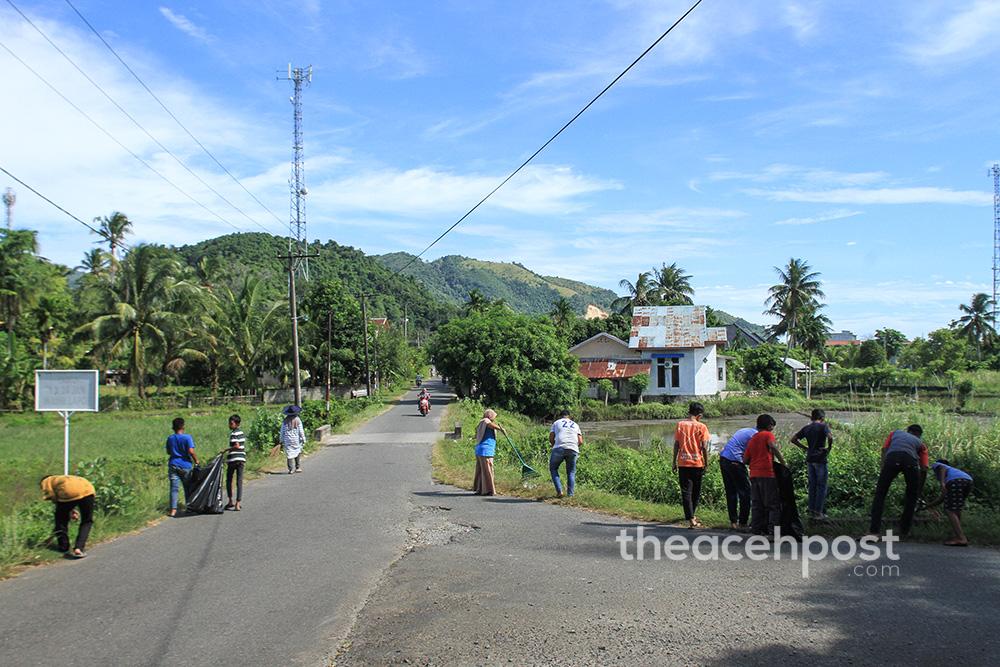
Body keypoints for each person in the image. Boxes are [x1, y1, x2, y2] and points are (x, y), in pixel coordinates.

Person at [869, 424, 929, 539]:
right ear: (919, 435)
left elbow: (884, 449)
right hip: (910, 462)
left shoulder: (894, 433)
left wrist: (884, 467)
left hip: (892, 458)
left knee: (880, 494)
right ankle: (904, 532)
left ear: (908, 431)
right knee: (911, 497)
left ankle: (874, 531)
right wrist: (919, 490)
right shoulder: (921, 444)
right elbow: (924, 468)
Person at [743, 414, 785, 536]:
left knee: (757, 505)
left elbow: (745, 460)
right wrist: (783, 463)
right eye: (772, 426)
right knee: (773, 505)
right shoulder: (768, 435)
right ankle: (773, 533)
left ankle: (756, 530)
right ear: (769, 425)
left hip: (754, 475)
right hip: (768, 474)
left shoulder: (752, 439)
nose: (773, 429)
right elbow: (773, 447)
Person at [673, 402, 711, 528]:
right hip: (697, 463)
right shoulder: (702, 427)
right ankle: (691, 518)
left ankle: (691, 517)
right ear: (699, 415)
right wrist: (706, 463)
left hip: (683, 463)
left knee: (686, 492)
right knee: (695, 492)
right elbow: (704, 447)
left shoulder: (680, 425)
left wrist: (674, 462)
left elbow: (676, 445)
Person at [791, 409, 834, 519]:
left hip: (810, 459)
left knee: (812, 486)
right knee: (821, 486)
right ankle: (818, 512)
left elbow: (793, 439)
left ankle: (811, 510)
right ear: (822, 418)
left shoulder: (807, 428)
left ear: (811, 418)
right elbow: (830, 437)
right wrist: (828, 448)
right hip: (820, 458)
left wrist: (805, 448)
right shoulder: (823, 426)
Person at [40, 474, 95, 559]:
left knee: (60, 519)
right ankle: (79, 548)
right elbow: (75, 495)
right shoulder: (63, 478)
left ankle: (63, 547)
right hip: (88, 489)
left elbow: (53, 496)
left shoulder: (46, 481)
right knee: (87, 520)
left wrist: (64, 508)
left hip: (69, 491)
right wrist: (71, 510)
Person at [925, 459, 973, 546]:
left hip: (957, 481)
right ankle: (957, 535)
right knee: (956, 509)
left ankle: (961, 538)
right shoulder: (953, 473)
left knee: (949, 510)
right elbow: (942, 498)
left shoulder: (938, 465)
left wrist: (942, 483)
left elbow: (942, 467)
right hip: (968, 481)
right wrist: (928, 505)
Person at [718, 425, 756, 530]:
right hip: (735, 462)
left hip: (723, 459)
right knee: (745, 493)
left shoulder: (745, 430)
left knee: (731, 492)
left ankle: (733, 522)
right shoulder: (757, 435)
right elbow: (751, 455)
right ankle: (743, 523)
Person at [166, 417, 199, 517]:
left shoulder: (170, 438)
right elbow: (191, 451)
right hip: (185, 465)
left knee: (174, 488)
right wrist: (196, 460)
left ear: (173, 427)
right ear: (183, 426)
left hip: (173, 464)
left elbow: (168, 452)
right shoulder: (187, 438)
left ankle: (173, 510)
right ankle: (189, 507)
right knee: (187, 487)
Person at [549, 409, 584, 498]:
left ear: (560, 416)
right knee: (571, 472)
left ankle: (559, 491)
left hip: (559, 448)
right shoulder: (575, 424)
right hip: (573, 449)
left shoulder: (556, 423)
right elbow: (580, 441)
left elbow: (551, 437)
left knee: (553, 469)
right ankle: (570, 495)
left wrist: (554, 445)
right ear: (569, 416)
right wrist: (574, 448)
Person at [473, 409, 506, 496]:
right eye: (493, 416)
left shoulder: (482, 423)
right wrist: (500, 429)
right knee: (488, 470)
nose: (494, 418)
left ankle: (481, 489)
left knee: (482, 470)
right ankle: (489, 490)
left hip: (483, 449)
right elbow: (489, 424)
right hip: (485, 450)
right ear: (489, 415)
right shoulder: (485, 421)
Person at [225, 414, 246, 511]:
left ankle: (230, 501)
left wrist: (226, 450)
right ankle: (238, 503)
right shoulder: (241, 432)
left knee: (229, 480)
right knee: (239, 481)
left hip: (233, 459)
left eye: (231, 423)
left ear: (236, 424)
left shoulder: (233, 433)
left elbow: (236, 445)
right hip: (241, 459)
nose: (229, 425)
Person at [280, 405, 307, 474]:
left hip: (288, 440)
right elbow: (301, 431)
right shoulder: (298, 420)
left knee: (289, 454)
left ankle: (290, 469)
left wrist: (281, 440)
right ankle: (298, 467)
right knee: (297, 452)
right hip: (296, 440)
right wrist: (303, 439)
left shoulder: (285, 421)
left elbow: (282, 431)